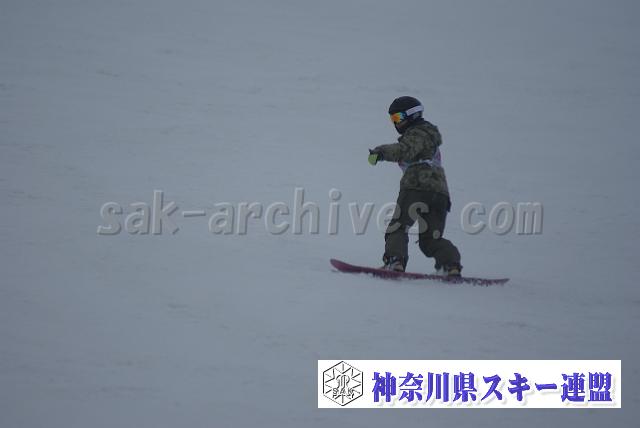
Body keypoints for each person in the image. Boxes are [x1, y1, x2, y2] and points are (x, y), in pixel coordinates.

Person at [368, 96, 462, 276]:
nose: (395, 123)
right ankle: (451, 265)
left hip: (417, 186)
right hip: (439, 193)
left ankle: (395, 261)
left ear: (413, 114)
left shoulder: (418, 133)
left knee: (398, 226)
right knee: (430, 240)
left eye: (398, 117)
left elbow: (405, 150)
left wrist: (381, 153)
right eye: (392, 119)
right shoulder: (430, 137)